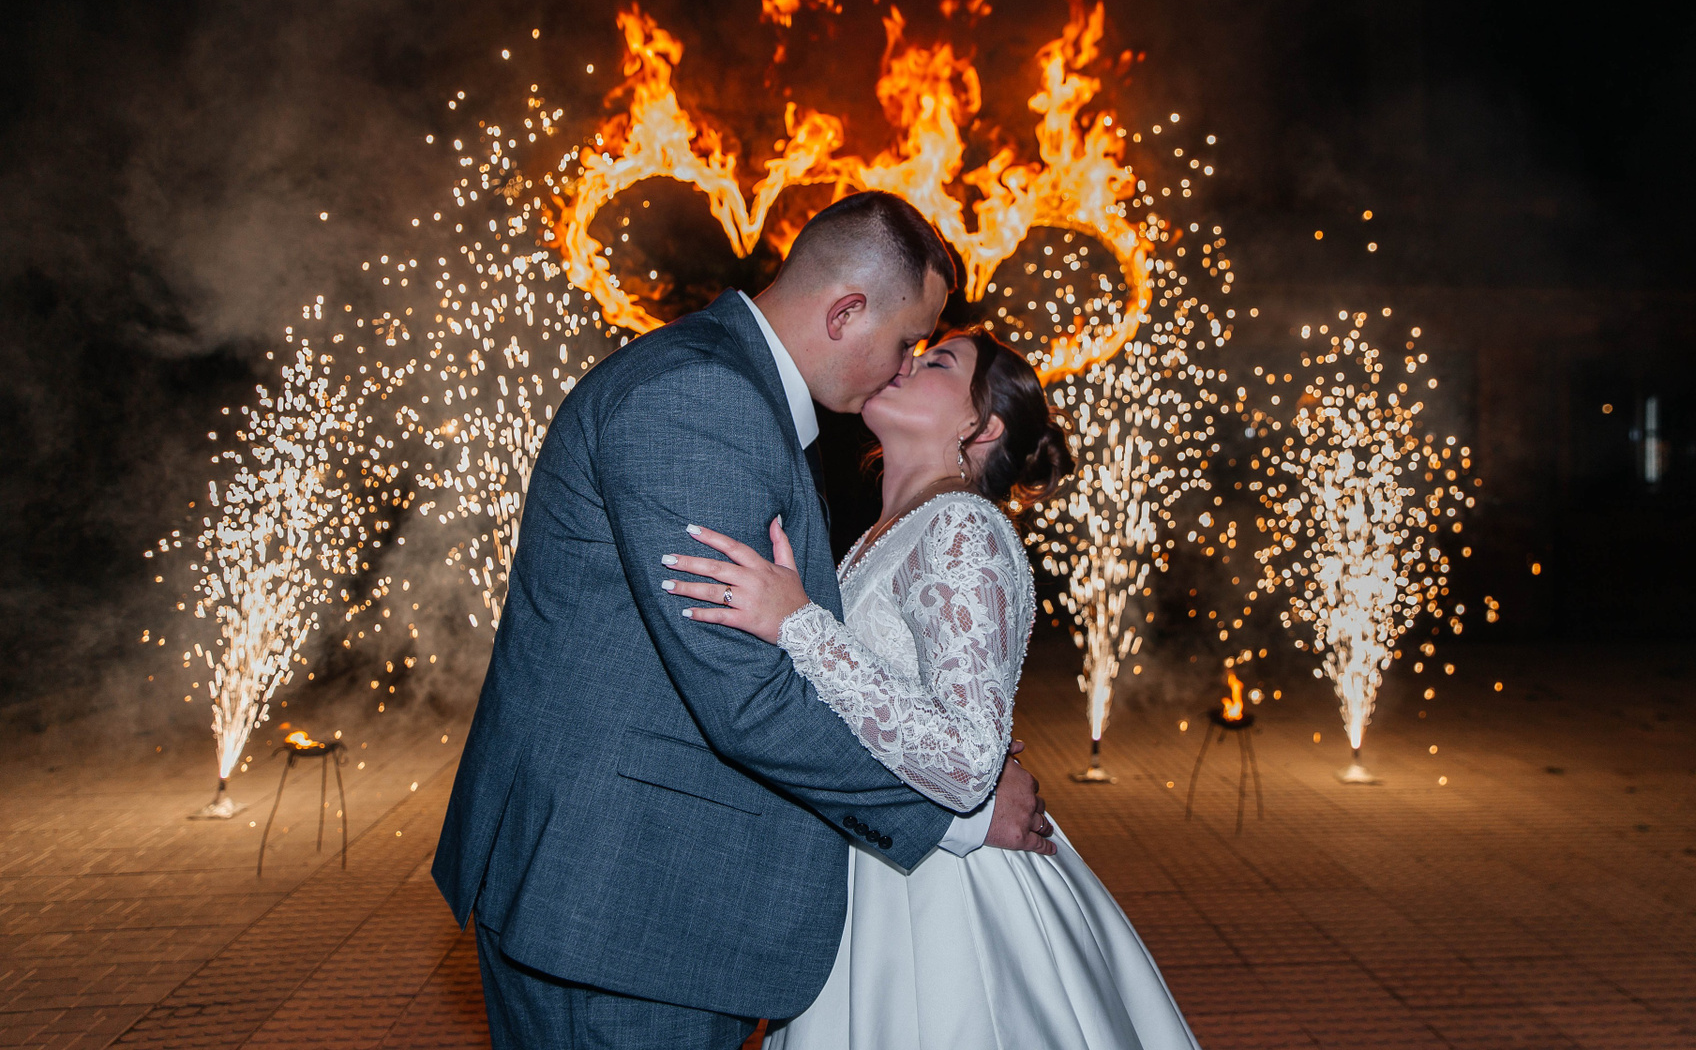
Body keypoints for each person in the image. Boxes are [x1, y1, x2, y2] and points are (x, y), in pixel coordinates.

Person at [432, 192, 1056, 1050]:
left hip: (644, 900)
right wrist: (956, 818)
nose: (903, 365)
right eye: (907, 340)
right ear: (845, 312)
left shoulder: (725, 387)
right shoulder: (703, 398)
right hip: (619, 905)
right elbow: (747, 697)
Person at [667, 327, 1202, 1049]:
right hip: (875, 858)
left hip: (943, 894)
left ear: (982, 426)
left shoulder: (960, 525)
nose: (909, 361)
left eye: (939, 361)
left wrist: (799, 623)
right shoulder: (889, 531)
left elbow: (968, 756)